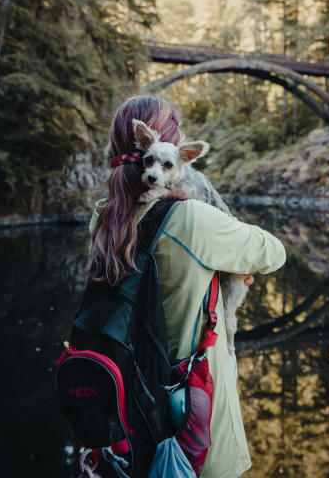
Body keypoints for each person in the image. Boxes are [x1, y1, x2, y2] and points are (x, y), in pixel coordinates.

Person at [88, 95, 286, 478]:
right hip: (190, 411)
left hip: (127, 406)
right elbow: (273, 252)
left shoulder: (104, 218)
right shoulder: (193, 217)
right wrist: (236, 263)